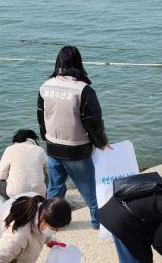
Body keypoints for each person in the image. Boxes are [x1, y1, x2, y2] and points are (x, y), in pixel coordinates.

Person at [38, 46, 111, 229]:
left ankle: (52, 223)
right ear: (78, 62)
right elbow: (94, 122)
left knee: (55, 189)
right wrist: (102, 143)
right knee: (90, 191)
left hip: (53, 146)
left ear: (58, 62)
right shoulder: (83, 90)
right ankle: (98, 223)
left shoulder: (45, 86)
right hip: (76, 149)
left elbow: (41, 117)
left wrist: (46, 138)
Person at [0, 129, 48, 222]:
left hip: (16, 194)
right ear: (33, 139)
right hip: (38, 195)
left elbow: (0, 175)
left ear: (16, 140)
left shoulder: (10, 149)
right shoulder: (40, 150)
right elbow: (48, 172)